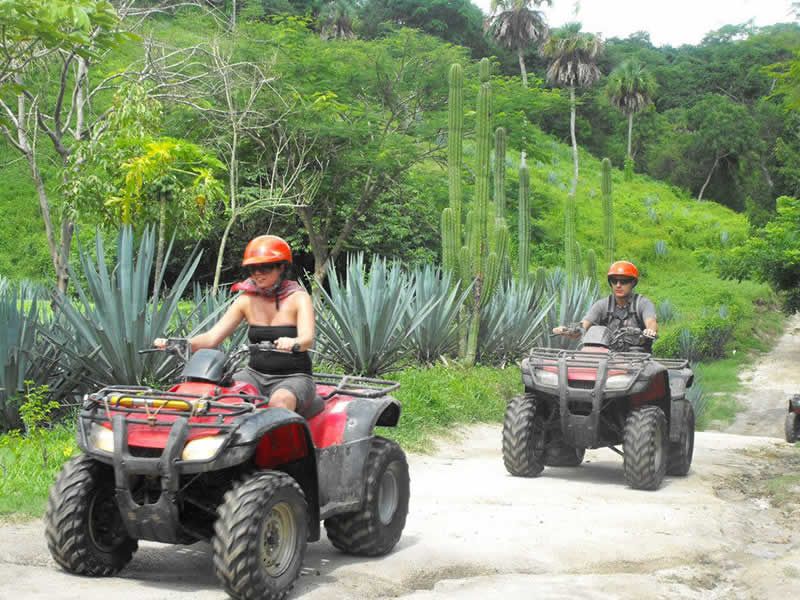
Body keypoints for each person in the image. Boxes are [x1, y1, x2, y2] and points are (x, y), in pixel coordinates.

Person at [156, 234, 315, 415]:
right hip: (254, 374)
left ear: (281, 267)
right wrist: (181, 343)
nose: (257, 273)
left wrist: (293, 342)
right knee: (219, 397)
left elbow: (307, 338)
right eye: (253, 268)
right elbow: (212, 338)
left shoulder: (299, 298)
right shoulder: (245, 300)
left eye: (265, 267)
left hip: (294, 377)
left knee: (280, 402)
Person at [553, 260, 658, 350]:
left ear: (633, 283)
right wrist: (567, 330)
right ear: (610, 283)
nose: (618, 285)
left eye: (624, 281)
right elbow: (583, 325)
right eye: (614, 281)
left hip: (636, 358)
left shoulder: (643, 303)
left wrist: (650, 330)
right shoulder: (602, 305)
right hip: (607, 357)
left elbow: (651, 322)